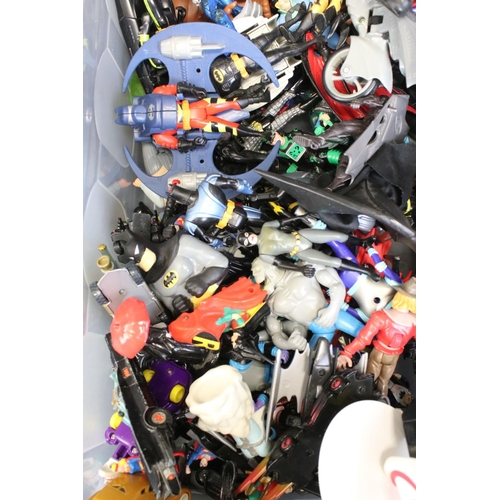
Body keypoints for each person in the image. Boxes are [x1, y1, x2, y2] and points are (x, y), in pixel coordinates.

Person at [336, 277, 416, 397]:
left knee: (369, 381)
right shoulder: (414, 322)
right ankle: (381, 401)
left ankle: (364, 400)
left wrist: (347, 353)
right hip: (393, 357)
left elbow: (363, 338)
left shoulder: (381, 316)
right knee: (384, 383)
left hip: (378, 354)